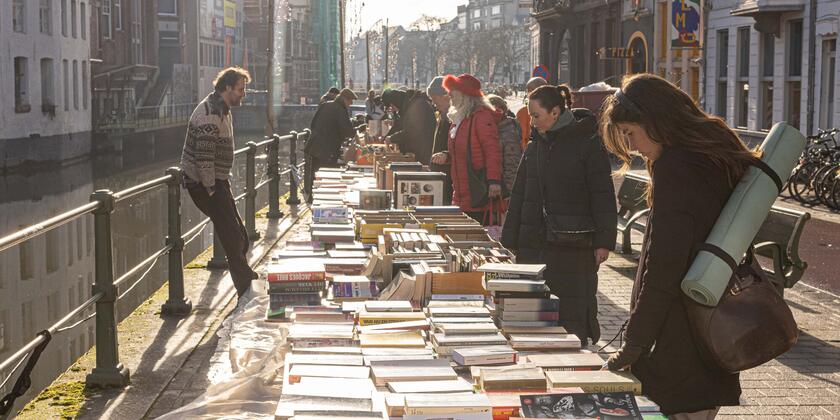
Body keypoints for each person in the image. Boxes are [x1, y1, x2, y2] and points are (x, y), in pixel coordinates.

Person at [600, 74, 751, 419]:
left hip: (680, 335)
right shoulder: (709, 155)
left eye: (630, 133)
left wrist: (635, 342)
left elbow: (664, 265)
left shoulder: (677, 167)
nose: (633, 146)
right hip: (708, 326)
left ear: (655, 120)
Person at [500, 84, 616, 346]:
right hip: (534, 240)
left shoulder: (586, 142)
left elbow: (602, 194)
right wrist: (510, 238)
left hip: (573, 244)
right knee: (537, 311)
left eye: (536, 115)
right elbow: (521, 190)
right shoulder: (536, 143)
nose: (531, 121)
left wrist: (603, 240)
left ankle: (574, 356)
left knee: (572, 306)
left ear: (555, 112)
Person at [180, 67, 257, 297]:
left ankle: (246, 277)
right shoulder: (211, 113)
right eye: (241, 89)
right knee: (232, 234)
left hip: (217, 181)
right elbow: (203, 157)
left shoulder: (222, 108)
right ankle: (245, 286)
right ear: (227, 88)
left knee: (240, 234)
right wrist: (213, 190)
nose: (244, 94)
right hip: (205, 185)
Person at [431, 74, 503, 222]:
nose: (449, 96)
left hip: (477, 190)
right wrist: (447, 156)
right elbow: (462, 150)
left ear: (463, 95)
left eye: (452, 93)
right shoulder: (460, 118)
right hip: (461, 192)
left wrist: (494, 181)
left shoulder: (481, 117)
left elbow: (492, 151)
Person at [304, 88, 358, 201]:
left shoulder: (325, 105)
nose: (351, 104)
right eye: (350, 101)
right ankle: (322, 200)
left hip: (314, 144)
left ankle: (310, 197)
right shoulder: (340, 110)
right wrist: (356, 130)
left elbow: (313, 123)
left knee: (314, 172)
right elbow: (346, 131)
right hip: (328, 149)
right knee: (326, 175)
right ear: (344, 99)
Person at [382, 88, 437, 165]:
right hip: (418, 152)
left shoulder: (417, 106)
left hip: (423, 153)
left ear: (395, 101)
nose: (393, 110)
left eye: (391, 106)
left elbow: (412, 131)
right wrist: (388, 137)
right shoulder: (408, 106)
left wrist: (392, 138)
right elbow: (399, 125)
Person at [486, 94, 523, 196]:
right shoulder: (503, 128)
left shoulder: (507, 132)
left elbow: (512, 161)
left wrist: (508, 191)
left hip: (505, 188)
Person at [427, 76, 453, 205]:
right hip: (439, 173)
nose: (433, 103)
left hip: (449, 176)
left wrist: (446, 155)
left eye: (435, 99)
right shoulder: (442, 116)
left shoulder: (453, 118)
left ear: (446, 96)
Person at [516, 77, 548, 149]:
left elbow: (522, 138)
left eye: (528, 91)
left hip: (532, 154)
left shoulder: (523, 112)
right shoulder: (555, 109)